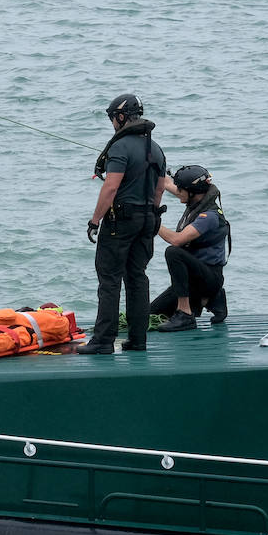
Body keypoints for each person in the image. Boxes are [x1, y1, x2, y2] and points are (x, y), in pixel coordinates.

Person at [79, 93, 167, 355]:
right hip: (148, 219)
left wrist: (95, 220)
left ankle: (103, 340)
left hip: (121, 220)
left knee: (109, 279)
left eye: (112, 118)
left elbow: (111, 186)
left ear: (120, 116)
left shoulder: (120, 147)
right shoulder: (157, 148)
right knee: (137, 277)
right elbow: (160, 189)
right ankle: (137, 340)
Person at [150, 164, 230, 331]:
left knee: (173, 252)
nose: (177, 192)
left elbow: (177, 240)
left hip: (209, 277)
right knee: (150, 313)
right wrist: (151, 164)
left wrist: (152, 222)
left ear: (192, 192)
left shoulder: (209, 216)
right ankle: (211, 299)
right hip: (193, 278)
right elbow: (166, 183)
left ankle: (186, 313)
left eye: (181, 190)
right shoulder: (197, 198)